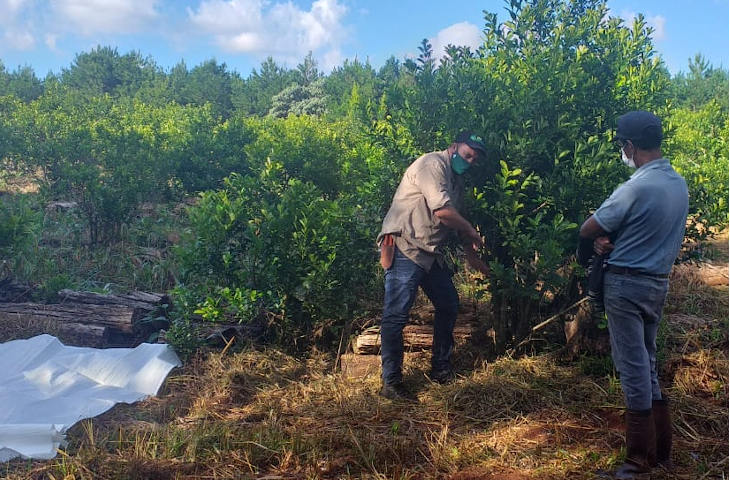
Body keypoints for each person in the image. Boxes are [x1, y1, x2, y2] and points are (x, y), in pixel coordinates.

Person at [578, 111, 688, 478]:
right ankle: (662, 455)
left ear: (629, 146)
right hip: (657, 282)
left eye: (622, 146)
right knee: (649, 362)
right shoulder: (677, 184)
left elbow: (589, 227)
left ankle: (636, 463)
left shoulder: (635, 187)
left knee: (633, 368)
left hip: (625, 284)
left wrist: (600, 239)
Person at [376, 131, 491, 401]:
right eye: (468, 154)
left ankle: (440, 369)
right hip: (404, 246)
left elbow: (456, 220)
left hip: (428, 253)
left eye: (474, 158)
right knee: (396, 315)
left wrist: (473, 258)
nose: (470, 160)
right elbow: (443, 211)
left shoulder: (457, 181)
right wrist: (472, 231)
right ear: (454, 147)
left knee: (449, 303)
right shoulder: (432, 164)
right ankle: (391, 382)